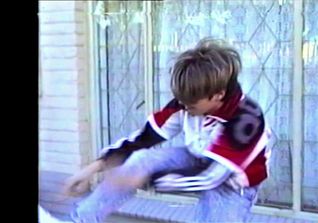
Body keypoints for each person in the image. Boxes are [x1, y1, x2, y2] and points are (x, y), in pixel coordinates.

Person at [41, 38, 272, 223]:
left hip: (230, 182)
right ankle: (80, 219)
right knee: (141, 160)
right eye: (183, 103)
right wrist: (93, 168)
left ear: (218, 94)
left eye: (192, 106)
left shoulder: (246, 120)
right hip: (198, 155)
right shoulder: (187, 101)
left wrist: (143, 180)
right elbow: (143, 138)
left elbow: (210, 178)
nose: (185, 109)